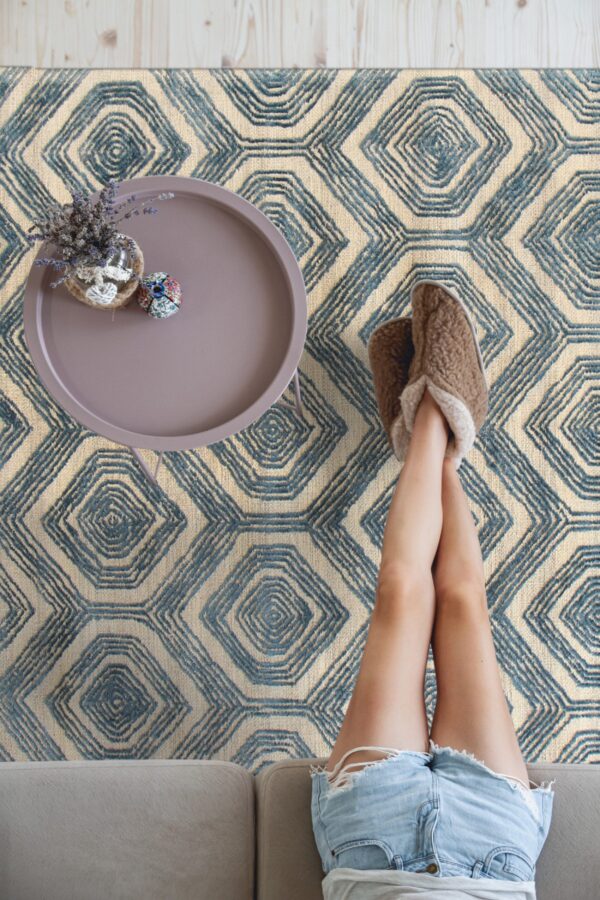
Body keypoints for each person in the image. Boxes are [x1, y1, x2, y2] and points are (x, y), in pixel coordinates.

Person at [310, 282, 555, 899]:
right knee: (464, 604)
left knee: (399, 593)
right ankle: (437, 423)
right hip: (494, 853)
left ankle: (427, 416)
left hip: (374, 845)